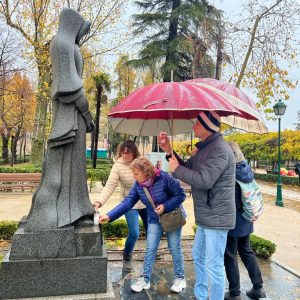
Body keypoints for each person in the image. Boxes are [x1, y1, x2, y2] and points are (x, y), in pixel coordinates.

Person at [25, 8, 95, 231]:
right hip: (70, 117)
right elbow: (71, 86)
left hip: (74, 118)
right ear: (73, 25)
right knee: (64, 166)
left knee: (75, 167)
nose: (81, 37)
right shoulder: (62, 45)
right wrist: (87, 114)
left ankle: (78, 210)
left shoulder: (69, 45)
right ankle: (61, 214)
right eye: (81, 31)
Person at [158, 111, 236, 300]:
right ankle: (201, 296)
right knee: (199, 257)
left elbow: (204, 181)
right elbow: (185, 168)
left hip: (217, 217)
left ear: (208, 126)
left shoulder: (220, 150)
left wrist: (177, 168)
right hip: (205, 216)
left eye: (197, 123)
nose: (193, 126)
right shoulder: (204, 149)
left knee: (214, 264)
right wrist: (169, 151)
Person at [99, 156, 187, 293]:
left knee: (174, 247)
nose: (134, 177)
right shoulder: (138, 185)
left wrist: (165, 206)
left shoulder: (164, 178)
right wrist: (109, 216)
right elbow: (127, 202)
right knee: (150, 248)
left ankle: (179, 278)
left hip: (171, 217)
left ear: (146, 172)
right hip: (154, 219)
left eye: (136, 173)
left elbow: (181, 195)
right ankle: (144, 279)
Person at [93, 140, 147, 272]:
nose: (125, 155)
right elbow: (110, 185)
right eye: (123, 152)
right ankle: (127, 256)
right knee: (134, 232)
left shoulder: (142, 162)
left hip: (145, 201)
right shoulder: (118, 166)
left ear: (134, 153)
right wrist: (99, 202)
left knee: (152, 230)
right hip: (129, 202)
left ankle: (151, 252)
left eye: (128, 153)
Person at [224, 141, 266, 300]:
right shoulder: (245, 169)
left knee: (230, 255)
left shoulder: (231, 173)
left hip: (233, 220)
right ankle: (258, 287)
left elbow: (230, 200)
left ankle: (234, 293)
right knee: (247, 251)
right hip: (247, 218)